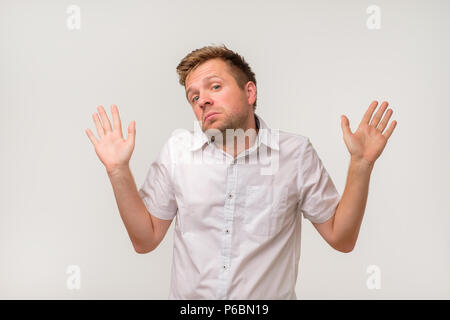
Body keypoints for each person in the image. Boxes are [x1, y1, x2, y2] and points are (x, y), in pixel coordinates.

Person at [85, 44, 397, 299]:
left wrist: (361, 164)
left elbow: (341, 238)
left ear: (250, 93)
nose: (203, 100)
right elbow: (145, 239)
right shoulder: (177, 151)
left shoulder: (294, 153)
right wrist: (117, 170)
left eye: (215, 87)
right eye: (194, 97)